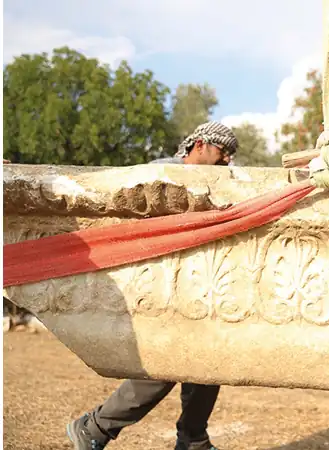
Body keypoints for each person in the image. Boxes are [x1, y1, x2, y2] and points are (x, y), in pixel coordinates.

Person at [67, 121, 238, 450]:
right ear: (199, 145)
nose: (228, 160)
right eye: (224, 151)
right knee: (165, 366)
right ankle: (94, 428)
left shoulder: (224, 181)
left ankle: (193, 439)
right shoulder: (158, 174)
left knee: (208, 362)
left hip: (199, 288)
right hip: (160, 288)